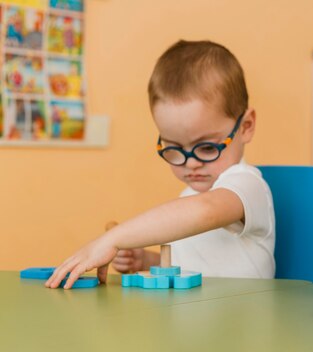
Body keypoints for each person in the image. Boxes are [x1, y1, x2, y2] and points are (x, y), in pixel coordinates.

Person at [46, 40, 275, 289]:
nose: (191, 164)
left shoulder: (247, 187)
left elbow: (205, 211)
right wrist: (145, 259)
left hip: (242, 325)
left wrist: (111, 240)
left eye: (207, 147)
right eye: (175, 149)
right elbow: (194, 269)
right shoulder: (190, 194)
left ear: (246, 127)